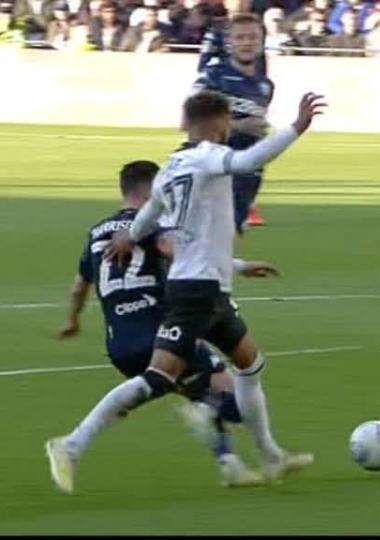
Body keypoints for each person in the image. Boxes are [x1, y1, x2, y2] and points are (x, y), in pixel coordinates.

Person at [44, 90, 326, 494]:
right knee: (158, 378)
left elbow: (148, 216)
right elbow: (250, 161)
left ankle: (270, 455)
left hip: (209, 288)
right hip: (195, 293)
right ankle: (71, 444)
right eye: (227, 123)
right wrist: (297, 127)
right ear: (219, 122)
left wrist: (129, 236)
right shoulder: (208, 156)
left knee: (250, 364)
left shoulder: (171, 168)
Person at [59, 160, 283, 487]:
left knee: (198, 387)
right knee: (230, 402)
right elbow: (181, 253)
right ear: (152, 189)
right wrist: (240, 266)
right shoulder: (154, 223)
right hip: (158, 332)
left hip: (119, 344)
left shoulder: (97, 231)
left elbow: (80, 286)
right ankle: (72, 444)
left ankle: (228, 462)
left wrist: (73, 321)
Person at [191, 13, 273, 234]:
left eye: (253, 37)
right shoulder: (213, 77)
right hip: (215, 168)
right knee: (201, 237)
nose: (247, 43)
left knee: (230, 236)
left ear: (262, 41)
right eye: (240, 37)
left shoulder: (265, 85)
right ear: (229, 43)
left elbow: (256, 125)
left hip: (249, 171)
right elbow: (191, 120)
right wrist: (237, 126)